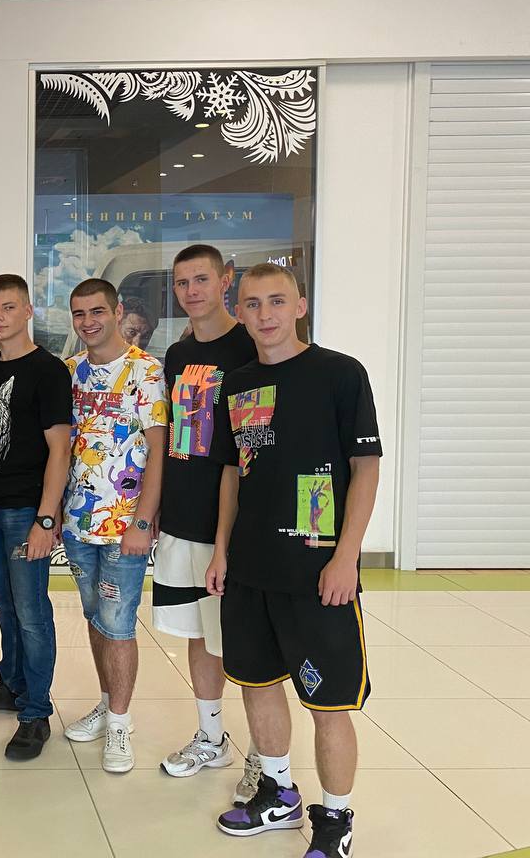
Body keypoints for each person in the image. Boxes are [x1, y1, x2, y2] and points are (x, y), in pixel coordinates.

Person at [207, 263, 380, 858]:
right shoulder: (238, 384)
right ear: (240, 311)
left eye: (277, 301)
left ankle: (335, 818)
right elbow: (233, 472)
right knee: (257, 684)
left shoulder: (340, 374)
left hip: (317, 570)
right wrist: (222, 550)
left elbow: (365, 467)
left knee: (328, 703)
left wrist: (346, 556)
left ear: (300, 305)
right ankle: (278, 793)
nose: (265, 315)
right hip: (250, 569)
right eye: (253, 304)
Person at [154, 245, 260, 793]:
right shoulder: (177, 353)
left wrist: (227, 538)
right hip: (182, 516)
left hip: (234, 525)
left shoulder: (251, 347)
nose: (191, 291)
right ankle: (211, 737)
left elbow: (245, 454)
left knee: (243, 641)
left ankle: (265, 753)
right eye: (182, 282)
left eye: (201, 279)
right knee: (199, 634)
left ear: (226, 280)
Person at [61, 277, 168, 774]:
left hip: (126, 528)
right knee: (95, 618)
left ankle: (121, 724)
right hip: (77, 522)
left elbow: (159, 451)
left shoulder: (147, 371)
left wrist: (143, 520)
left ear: (118, 311)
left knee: (120, 624)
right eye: (79, 314)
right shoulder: (70, 372)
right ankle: (107, 704)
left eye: (97, 311)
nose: (88, 322)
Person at [0, 274, 72, 761]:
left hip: (25, 510)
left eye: (8, 307)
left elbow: (59, 451)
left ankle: (36, 712)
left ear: (28, 311)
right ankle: (11, 684)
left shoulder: (48, 371)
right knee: (4, 604)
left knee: (32, 614)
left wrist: (45, 519)